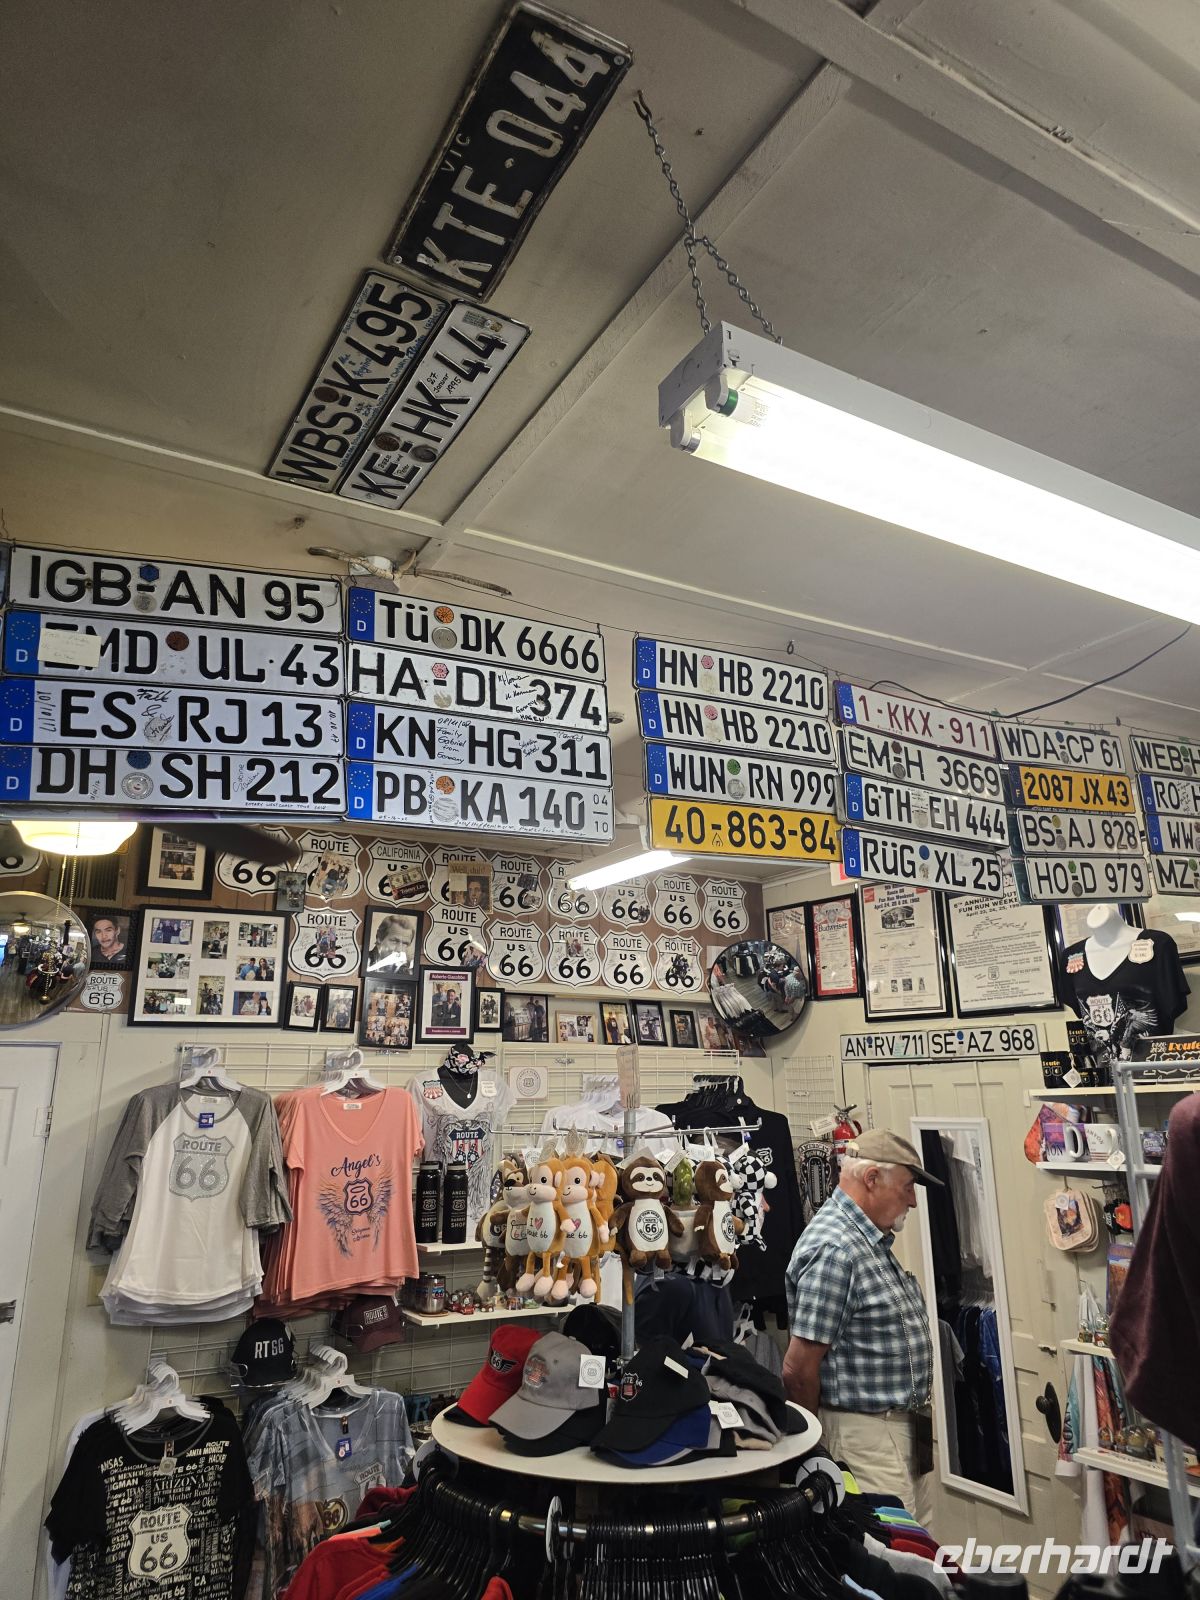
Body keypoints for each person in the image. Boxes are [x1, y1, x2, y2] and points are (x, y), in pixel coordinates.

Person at [783, 1129, 940, 1527]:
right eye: (907, 1187)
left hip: (895, 1433)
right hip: (865, 1438)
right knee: (890, 1550)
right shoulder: (836, 1248)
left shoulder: (866, 1242)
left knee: (915, 1549)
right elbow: (798, 1370)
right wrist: (813, 1452)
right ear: (872, 1179)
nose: (912, 1200)